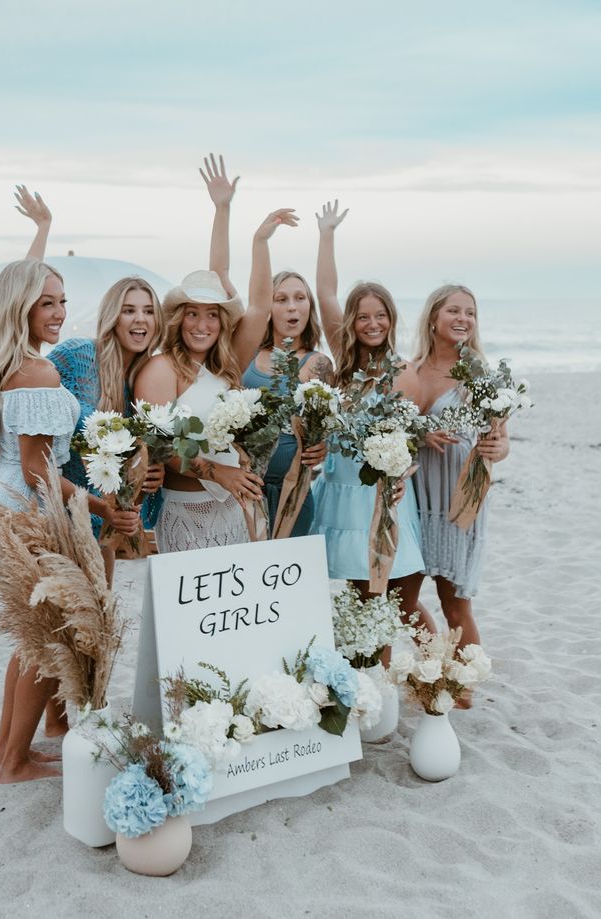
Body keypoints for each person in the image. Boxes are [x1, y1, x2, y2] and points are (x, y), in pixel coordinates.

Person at [0, 187, 163, 582]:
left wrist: (43, 228)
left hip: (65, 507)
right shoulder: (65, 362)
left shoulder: (149, 381)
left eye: (63, 302)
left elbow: (21, 293)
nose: (60, 312)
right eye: (128, 310)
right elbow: (30, 461)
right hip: (45, 504)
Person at [0, 258, 118, 783]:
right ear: (20, 308)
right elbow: (37, 470)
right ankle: (14, 764)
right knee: (46, 636)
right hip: (20, 506)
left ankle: (6, 750)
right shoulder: (39, 371)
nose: (59, 312)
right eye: (46, 302)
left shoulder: (9, 361)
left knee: (32, 635)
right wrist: (99, 507)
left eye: (62, 300)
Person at [135, 156, 298, 551]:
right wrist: (216, 473)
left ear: (222, 323)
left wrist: (259, 242)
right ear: (178, 318)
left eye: (212, 315)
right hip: (188, 511)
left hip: (239, 509)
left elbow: (259, 305)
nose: (201, 324)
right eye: (192, 313)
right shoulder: (160, 369)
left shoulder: (226, 366)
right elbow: (159, 445)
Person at [310, 201, 433, 631]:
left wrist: (402, 474)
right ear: (352, 322)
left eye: (380, 316)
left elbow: (407, 444)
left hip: (378, 497)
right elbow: (325, 293)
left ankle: (435, 675)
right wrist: (327, 234)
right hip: (341, 491)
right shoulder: (343, 362)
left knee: (388, 602)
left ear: (391, 320)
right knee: (357, 597)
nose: (372, 323)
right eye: (363, 316)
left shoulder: (403, 374)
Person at [198, 157, 330, 536]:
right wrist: (225, 211)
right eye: (282, 298)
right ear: (269, 306)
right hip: (241, 486)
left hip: (294, 491)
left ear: (310, 306)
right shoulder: (246, 353)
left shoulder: (318, 363)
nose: (292, 306)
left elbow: (323, 429)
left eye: (300, 298)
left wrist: (324, 446)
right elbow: (219, 279)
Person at [411, 284, 509, 656]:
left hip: (459, 502)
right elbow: (394, 433)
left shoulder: (481, 378)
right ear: (433, 318)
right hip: (415, 500)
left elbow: (501, 442)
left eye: (470, 312)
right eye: (454, 310)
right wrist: (420, 436)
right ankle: (434, 666)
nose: (463, 319)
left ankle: (463, 685)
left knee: (455, 605)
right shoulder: (412, 372)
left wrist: (498, 448)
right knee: (401, 602)